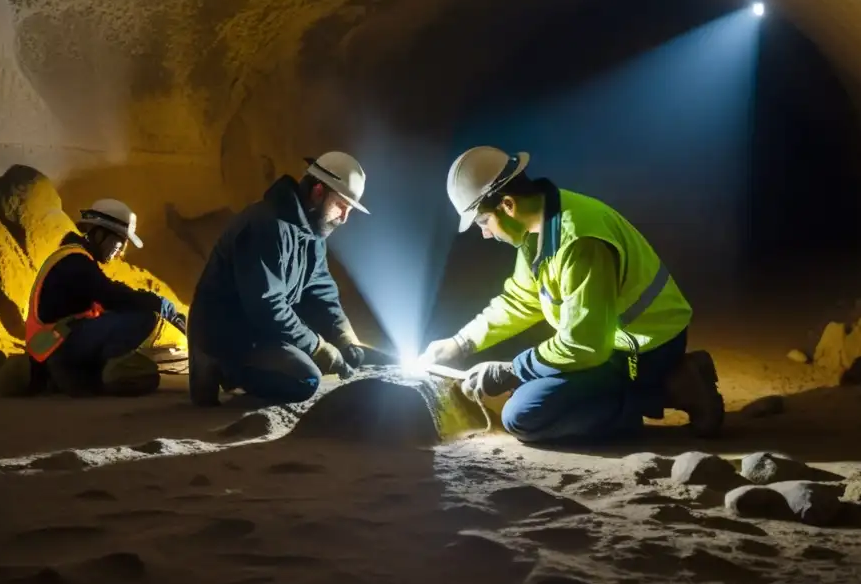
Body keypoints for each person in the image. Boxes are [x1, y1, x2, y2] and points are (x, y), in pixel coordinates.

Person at [420, 146, 725, 443]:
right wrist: (460, 343)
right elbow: (520, 300)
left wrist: (513, 370)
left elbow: (584, 345)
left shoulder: (579, 241)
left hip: (645, 348)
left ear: (508, 205)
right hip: (609, 345)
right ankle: (663, 385)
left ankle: (673, 388)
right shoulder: (538, 228)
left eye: (483, 221)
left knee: (523, 415)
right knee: (532, 389)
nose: (485, 232)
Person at [187, 151, 370, 407]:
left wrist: (343, 336)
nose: (344, 217)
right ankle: (213, 363)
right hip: (225, 333)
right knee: (306, 380)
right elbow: (267, 306)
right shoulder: (266, 225)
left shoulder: (312, 236)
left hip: (259, 332)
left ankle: (241, 367)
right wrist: (318, 347)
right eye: (341, 206)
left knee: (305, 368)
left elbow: (321, 291)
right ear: (318, 191)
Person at [0, 198, 186, 397]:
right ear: (101, 234)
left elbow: (108, 291)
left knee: (124, 313)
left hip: (50, 344)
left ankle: (74, 373)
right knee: (144, 317)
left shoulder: (73, 258)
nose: (121, 251)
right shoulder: (76, 261)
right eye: (120, 242)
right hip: (59, 346)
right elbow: (112, 296)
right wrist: (160, 305)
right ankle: (94, 371)